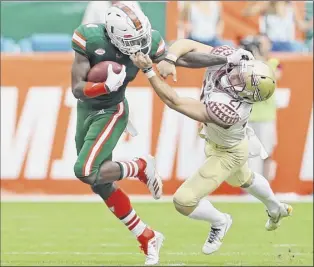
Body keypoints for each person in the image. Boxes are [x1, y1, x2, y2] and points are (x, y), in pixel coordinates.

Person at [71, 2, 236, 265]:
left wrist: (225, 57)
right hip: (86, 110)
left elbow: (180, 59)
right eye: (131, 40)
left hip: (112, 111)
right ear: (112, 34)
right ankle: (147, 236)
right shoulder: (90, 37)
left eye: (142, 38)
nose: (139, 44)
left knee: (85, 171)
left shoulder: (148, 41)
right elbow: (77, 89)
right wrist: (102, 85)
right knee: (99, 183)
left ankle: (139, 166)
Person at [130, 41, 292, 255]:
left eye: (242, 81)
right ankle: (275, 208)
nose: (235, 76)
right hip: (230, 142)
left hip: (227, 152)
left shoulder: (228, 110)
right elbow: (186, 44)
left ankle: (220, 221)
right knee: (244, 179)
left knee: (183, 201)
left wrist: (149, 70)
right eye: (241, 73)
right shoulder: (235, 59)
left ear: (246, 95)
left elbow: (175, 102)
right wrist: (170, 58)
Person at [240, 34, 282, 179]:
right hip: (248, 116)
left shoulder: (274, 62)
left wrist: (257, 58)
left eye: (262, 43)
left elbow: (272, 76)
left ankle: (266, 185)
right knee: (248, 153)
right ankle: (249, 186)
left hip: (266, 117)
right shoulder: (246, 64)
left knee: (266, 152)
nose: (260, 46)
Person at [243, 1, 313, 52]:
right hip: (271, 43)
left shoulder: (291, 6)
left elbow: (302, 26)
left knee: (301, 47)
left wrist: (311, 23)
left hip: (288, 43)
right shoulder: (267, 5)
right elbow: (246, 13)